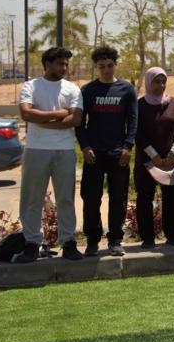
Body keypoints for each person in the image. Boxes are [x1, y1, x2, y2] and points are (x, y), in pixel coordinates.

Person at [15, 46, 83, 263]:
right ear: (47, 64)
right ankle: (32, 244)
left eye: (66, 64)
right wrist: (58, 114)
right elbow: (26, 113)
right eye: (59, 63)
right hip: (36, 149)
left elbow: (75, 120)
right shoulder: (31, 86)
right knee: (32, 199)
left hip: (64, 150)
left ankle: (68, 242)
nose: (64, 67)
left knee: (66, 199)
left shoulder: (73, 89)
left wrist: (41, 120)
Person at [77, 45, 137, 257]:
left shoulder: (127, 89)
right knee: (91, 198)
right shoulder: (88, 91)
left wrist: (128, 146)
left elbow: (133, 119)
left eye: (109, 65)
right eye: (101, 66)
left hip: (118, 154)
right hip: (94, 155)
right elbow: (80, 123)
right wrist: (85, 146)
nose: (106, 70)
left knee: (118, 199)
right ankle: (92, 240)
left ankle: (115, 240)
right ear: (96, 67)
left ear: (115, 65)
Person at [134, 67, 174, 247]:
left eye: (163, 81)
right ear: (149, 83)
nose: (161, 85)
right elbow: (137, 133)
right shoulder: (139, 105)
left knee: (171, 198)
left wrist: (173, 152)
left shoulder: (173, 103)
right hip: (147, 161)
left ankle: (172, 235)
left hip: (170, 159)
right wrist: (154, 155)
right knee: (145, 198)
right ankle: (148, 238)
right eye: (156, 81)